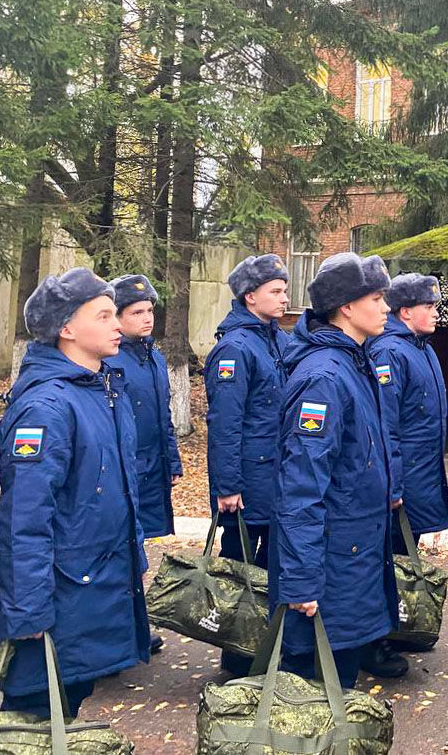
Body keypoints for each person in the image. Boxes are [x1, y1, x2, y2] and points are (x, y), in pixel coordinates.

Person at [0, 269, 152, 716]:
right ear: (66, 329)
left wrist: (133, 559)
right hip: (56, 603)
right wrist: (27, 612)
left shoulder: (102, 391)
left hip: (90, 592)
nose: (117, 325)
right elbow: (25, 519)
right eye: (103, 316)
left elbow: (116, 493)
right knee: (34, 719)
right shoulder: (46, 407)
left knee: (69, 704)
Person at [270, 253, 403, 688]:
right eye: (378, 298)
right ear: (347, 306)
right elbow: (301, 488)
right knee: (316, 695)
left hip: (351, 560)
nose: (386, 308)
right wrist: (301, 580)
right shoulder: (324, 378)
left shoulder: (354, 362)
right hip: (328, 570)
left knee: (339, 685)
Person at [363, 272, 448, 676]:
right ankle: (374, 642)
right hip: (400, 476)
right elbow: (387, 425)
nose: (436, 313)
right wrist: (393, 483)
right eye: (429, 306)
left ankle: (396, 628)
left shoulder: (422, 348)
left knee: (405, 551)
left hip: (420, 472)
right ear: (405, 311)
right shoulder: (390, 352)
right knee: (387, 556)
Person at [203, 253, 291, 675]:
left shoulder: (274, 338)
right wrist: (227, 485)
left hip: (275, 476)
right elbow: (224, 423)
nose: (284, 297)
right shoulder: (235, 348)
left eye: (285, 290)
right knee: (240, 569)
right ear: (250, 296)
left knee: (272, 566)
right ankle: (236, 655)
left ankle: (267, 645)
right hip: (247, 482)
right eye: (275, 291)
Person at [106, 273, 181, 656]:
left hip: (151, 465)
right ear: (116, 317)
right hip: (123, 469)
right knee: (123, 549)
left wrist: (173, 458)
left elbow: (162, 413)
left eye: (149, 310)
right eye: (136, 311)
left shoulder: (154, 356)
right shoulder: (108, 360)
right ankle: (123, 628)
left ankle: (136, 624)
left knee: (140, 546)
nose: (147, 318)